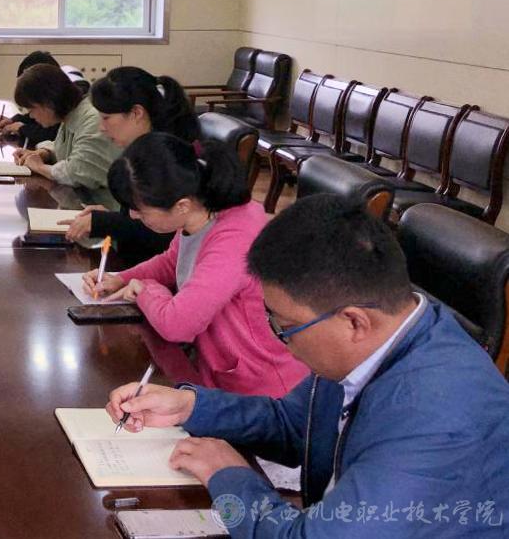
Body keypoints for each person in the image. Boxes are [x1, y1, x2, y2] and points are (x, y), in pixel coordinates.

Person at [105, 194, 509, 538]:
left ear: (354, 322)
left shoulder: (437, 419)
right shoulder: (384, 337)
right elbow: (294, 422)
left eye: (284, 327)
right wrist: (190, 407)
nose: (279, 340)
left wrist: (228, 477)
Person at [84, 133, 307, 397]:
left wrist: (145, 290)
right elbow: (172, 262)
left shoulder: (235, 238)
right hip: (219, 371)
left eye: (140, 210)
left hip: (261, 389)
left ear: (181, 205)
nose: (133, 215)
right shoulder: (200, 213)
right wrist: (120, 278)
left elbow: (178, 325)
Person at [65, 67, 201, 267]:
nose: (101, 128)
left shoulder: (167, 157)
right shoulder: (146, 148)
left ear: (137, 113)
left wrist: (106, 222)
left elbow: (164, 235)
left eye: (106, 118)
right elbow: (147, 217)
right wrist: (112, 217)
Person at [9, 65, 121, 192]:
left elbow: (78, 172)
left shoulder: (92, 119)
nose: (31, 115)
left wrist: (39, 167)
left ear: (48, 103)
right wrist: (44, 153)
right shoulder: (71, 115)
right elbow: (68, 146)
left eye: (31, 109)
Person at [0, 51, 61, 148]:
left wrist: (22, 128)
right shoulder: (50, 99)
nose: (31, 114)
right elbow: (34, 119)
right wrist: (12, 121)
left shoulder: (62, 105)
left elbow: (51, 134)